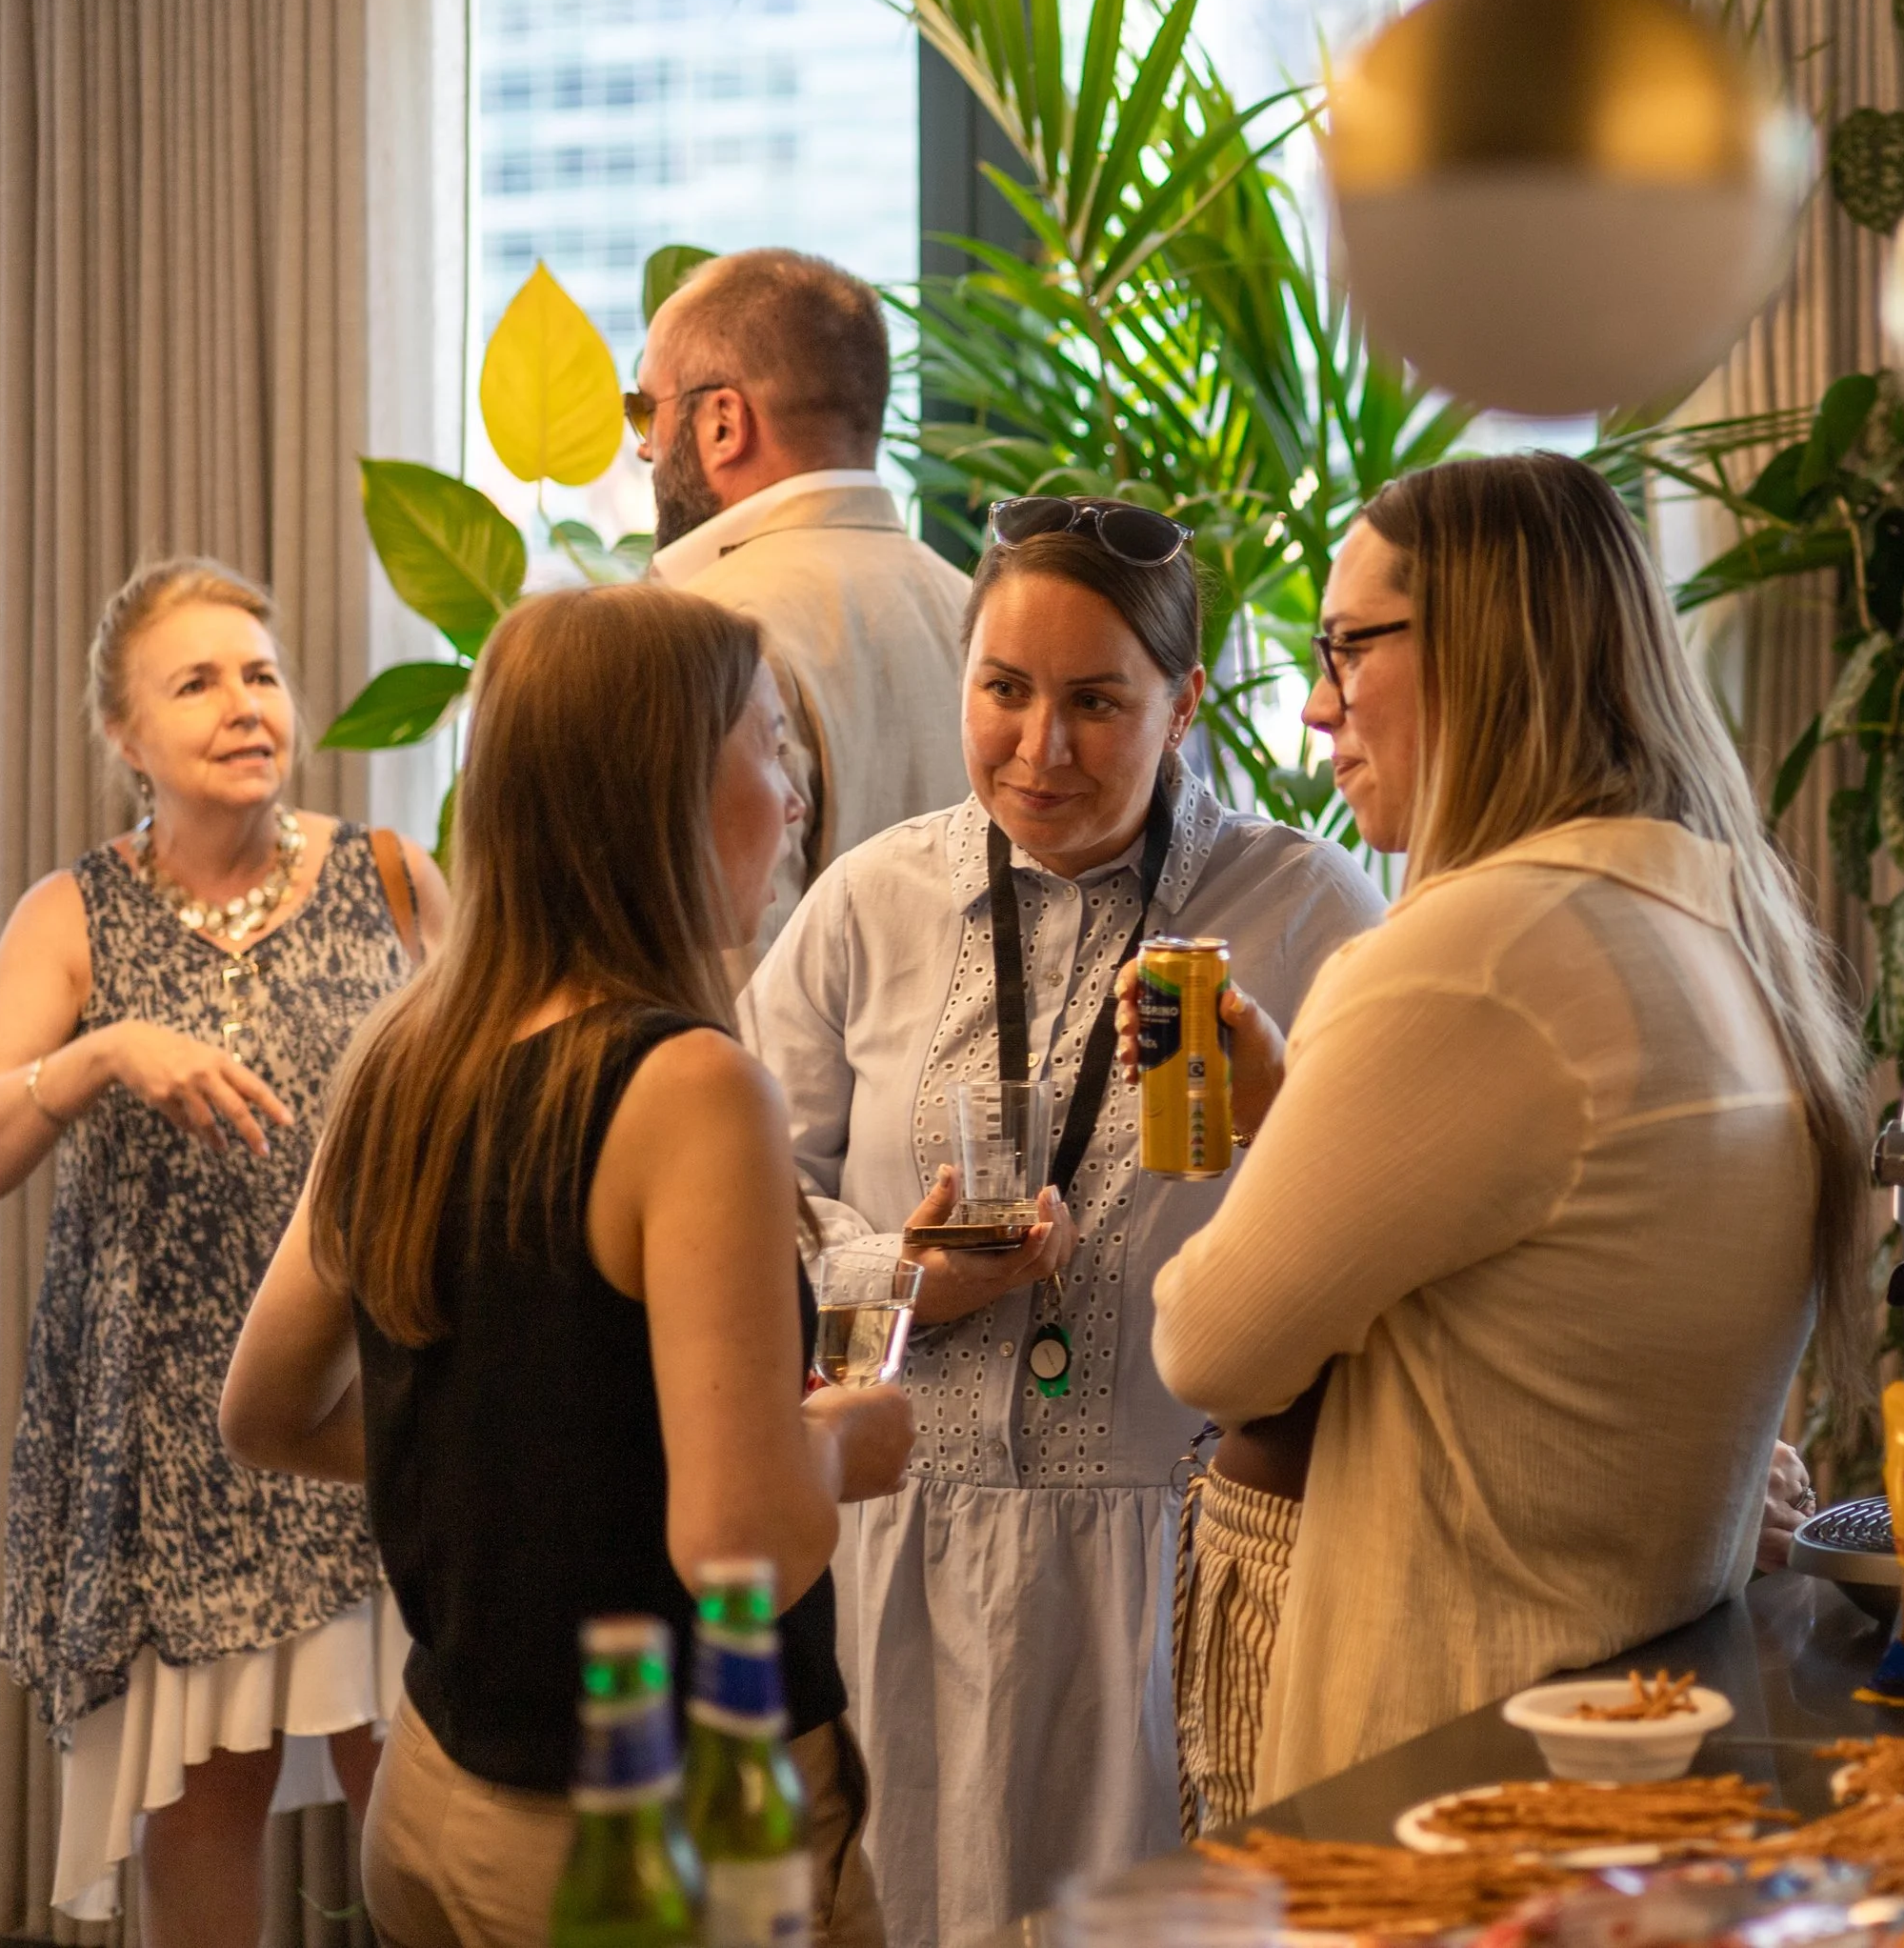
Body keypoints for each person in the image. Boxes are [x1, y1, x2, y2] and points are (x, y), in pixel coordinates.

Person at [1151, 453, 1874, 1808]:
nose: (1317, 706)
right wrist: (1308, 1113)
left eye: (1346, 648)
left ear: (1484, 647)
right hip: (1643, 1738)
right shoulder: (1718, 925)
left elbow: (1211, 1344)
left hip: (1447, 1771)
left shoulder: (1476, 955)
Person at [220, 584, 915, 1948]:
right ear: (652, 789)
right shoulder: (693, 1087)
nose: (790, 800)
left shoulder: (404, 1060)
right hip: (649, 1838)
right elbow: (740, 1555)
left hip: (435, 1793)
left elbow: (265, 1410)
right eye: (766, 747)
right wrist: (836, 1447)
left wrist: (521, 1464)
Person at [752, 497, 1384, 1948]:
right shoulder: (869, 902)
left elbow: (1391, 1227)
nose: (1041, 749)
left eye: (1098, 702)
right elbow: (754, 1226)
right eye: (1006, 691)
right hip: (908, 1555)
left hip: (1185, 1561)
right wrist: (896, 1281)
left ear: (1185, 702)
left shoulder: (1309, 906)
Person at [0, 557, 448, 1946]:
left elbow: (496, 1072)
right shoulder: (72, 917)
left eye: (263, 673)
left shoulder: (394, 878)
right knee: (202, 1811)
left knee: (412, 1817)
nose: (247, 706)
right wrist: (101, 1054)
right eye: (198, 682)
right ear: (126, 738)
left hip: (360, 1413)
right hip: (173, 1443)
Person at [636, 246, 972, 954]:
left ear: (722, 423)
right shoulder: (976, 608)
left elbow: (727, 982)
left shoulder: (708, 632)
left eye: (645, 409)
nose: (644, 448)